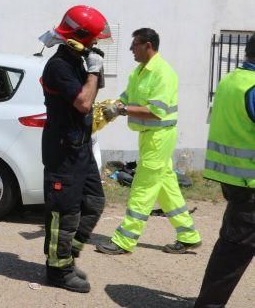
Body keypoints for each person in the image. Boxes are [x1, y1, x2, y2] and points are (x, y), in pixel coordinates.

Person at [97, 28, 201, 255]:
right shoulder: (139, 72)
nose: (131, 49)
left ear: (148, 45)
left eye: (134, 45)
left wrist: (122, 111)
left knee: (142, 188)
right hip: (149, 138)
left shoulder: (163, 73)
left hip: (159, 138)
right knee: (167, 188)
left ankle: (124, 240)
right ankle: (188, 235)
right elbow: (127, 98)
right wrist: (111, 106)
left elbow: (156, 112)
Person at [39, 5, 110, 293]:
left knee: (93, 202)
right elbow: (82, 102)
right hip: (62, 149)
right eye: (92, 40)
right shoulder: (58, 66)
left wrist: (95, 68)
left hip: (79, 145)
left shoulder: (76, 60)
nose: (94, 45)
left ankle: (66, 256)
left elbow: (91, 99)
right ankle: (57, 270)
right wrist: (93, 71)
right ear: (78, 36)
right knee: (63, 212)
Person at [194, 33, 255, 308]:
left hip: (234, 178)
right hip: (250, 183)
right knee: (233, 251)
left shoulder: (231, 80)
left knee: (232, 247)